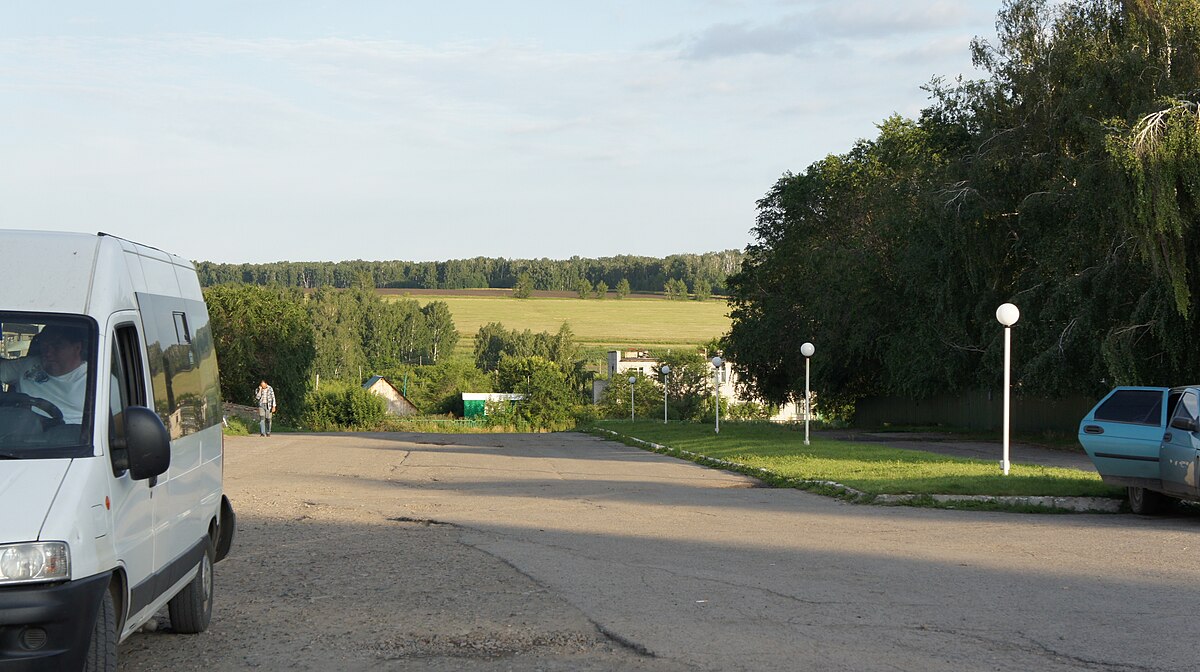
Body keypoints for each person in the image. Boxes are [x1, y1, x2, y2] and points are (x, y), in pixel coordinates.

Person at [0, 324, 89, 424]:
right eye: (45, 346)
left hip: (72, 437)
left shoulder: (97, 378)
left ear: (77, 348)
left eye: (57, 346)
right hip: (19, 433)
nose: (48, 353)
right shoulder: (26, 365)